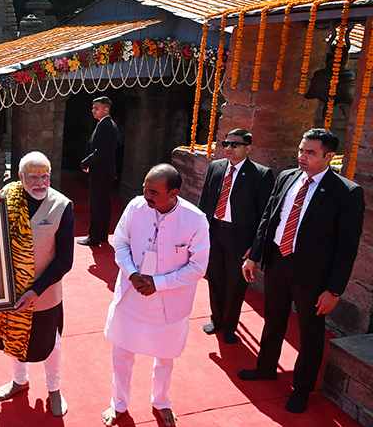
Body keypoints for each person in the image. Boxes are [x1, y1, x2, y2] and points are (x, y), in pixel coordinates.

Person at [238, 128, 365, 414]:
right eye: (300, 150)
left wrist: (334, 290)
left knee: (309, 333)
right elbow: (269, 218)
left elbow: (347, 248)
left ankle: (302, 388)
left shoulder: (346, 192)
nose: (302, 157)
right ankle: (266, 367)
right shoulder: (287, 177)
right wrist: (254, 257)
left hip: (313, 275)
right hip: (278, 262)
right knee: (273, 319)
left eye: (310, 152)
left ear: (329, 156)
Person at [102, 164, 209, 427]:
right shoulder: (136, 207)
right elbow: (120, 241)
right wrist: (131, 273)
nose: (146, 197)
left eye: (153, 192)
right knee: (122, 353)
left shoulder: (195, 219)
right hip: (132, 291)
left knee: (165, 357)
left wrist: (158, 283)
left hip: (168, 300)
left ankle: (161, 401)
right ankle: (118, 404)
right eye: (144, 189)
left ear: (173, 193)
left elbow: (198, 267)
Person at [0, 151, 74, 417]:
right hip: (9, 290)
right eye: (32, 176)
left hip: (44, 293)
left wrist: (34, 291)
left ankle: (54, 389)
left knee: (52, 344)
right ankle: (19, 381)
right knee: (13, 339)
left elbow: (64, 261)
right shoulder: (8, 197)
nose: (40, 183)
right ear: (20, 176)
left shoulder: (62, 206)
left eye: (45, 176)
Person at [198, 129, 273, 344]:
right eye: (226, 144)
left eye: (235, 145)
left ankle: (230, 325)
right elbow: (205, 200)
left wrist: (255, 247)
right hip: (215, 231)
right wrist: (199, 232)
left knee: (235, 284)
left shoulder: (261, 174)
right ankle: (216, 319)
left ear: (248, 148)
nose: (229, 148)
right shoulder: (216, 166)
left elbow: (264, 215)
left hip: (239, 237)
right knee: (215, 278)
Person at [79, 96, 119, 247]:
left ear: (106, 109)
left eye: (97, 108)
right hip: (105, 172)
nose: (93, 111)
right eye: (93, 108)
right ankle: (102, 234)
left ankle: (94, 237)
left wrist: (85, 162)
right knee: (104, 204)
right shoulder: (106, 124)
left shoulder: (107, 125)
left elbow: (100, 151)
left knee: (97, 205)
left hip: (101, 172)